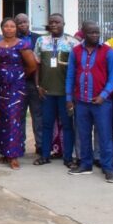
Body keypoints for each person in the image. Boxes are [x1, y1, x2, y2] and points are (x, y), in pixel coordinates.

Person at [65, 21, 113, 182]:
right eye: (91, 32)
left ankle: (108, 168)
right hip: (81, 101)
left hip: (102, 102)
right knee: (83, 134)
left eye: (97, 32)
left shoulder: (108, 52)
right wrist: (68, 98)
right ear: (83, 33)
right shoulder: (76, 51)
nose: (95, 35)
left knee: (105, 135)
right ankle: (85, 164)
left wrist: (104, 95)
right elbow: (71, 75)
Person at [33, 13, 79, 168]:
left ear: (63, 23)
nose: (54, 24)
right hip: (46, 92)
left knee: (67, 125)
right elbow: (37, 66)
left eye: (57, 22)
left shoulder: (72, 43)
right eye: (51, 22)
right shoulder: (41, 41)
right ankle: (45, 155)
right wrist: (38, 86)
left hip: (65, 94)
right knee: (46, 124)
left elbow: (77, 69)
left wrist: (72, 93)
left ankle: (68, 157)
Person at [0, 18, 36, 170]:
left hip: (16, 88)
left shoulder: (23, 44)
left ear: (16, 29)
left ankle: (14, 155)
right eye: (6, 26)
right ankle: (4, 152)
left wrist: (18, 76)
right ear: (1, 28)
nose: (9, 29)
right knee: (0, 119)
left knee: (13, 119)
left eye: (12, 26)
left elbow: (32, 65)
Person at [15, 13, 43, 156]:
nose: (22, 25)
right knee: (19, 116)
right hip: (18, 83)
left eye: (24, 21)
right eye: (19, 22)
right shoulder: (13, 40)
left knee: (37, 116)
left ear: (29, 22)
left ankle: (40, 145)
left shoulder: (38, 38)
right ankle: (19, 145)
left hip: (35, 83)